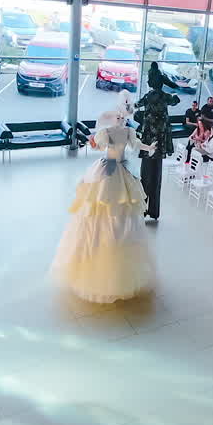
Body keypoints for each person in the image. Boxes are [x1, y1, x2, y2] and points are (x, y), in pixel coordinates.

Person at [50, 106, 157, 303]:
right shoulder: (106, 132)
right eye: (118, 117)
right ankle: (100, 247)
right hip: (108, 170)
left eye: (122, 116)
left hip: (117, 171)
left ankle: (115, 244)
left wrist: (149, 148)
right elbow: (99, 146)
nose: (120, 119)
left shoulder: (126, 132)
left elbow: (136, 144)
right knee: (99, 205)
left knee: (117, 208)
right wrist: (92, 141)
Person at [135, 64, 180, 221]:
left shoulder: (147, 97)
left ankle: (142, 208)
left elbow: (135, 106)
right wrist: (171, 85)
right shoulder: (166, 97)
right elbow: (176, 99)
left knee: (145, 175)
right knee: (156, 177)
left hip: (148, 139)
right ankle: (154, 211)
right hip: (160, 140)